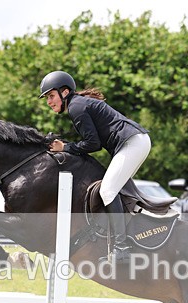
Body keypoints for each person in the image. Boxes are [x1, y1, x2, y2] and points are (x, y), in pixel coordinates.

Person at [39, 70, 151, 263]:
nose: (49, 102)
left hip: (132, 143)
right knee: (117, 191)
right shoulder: (77, 104)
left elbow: (93, 144)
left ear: (64, 92)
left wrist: (64, 147)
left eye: (51, 96)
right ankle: (136, 236)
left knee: (108, 191)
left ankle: (122, 248)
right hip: (135, 142)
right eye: (47, 98)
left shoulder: (76, 107)